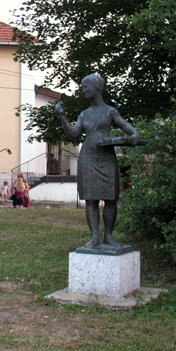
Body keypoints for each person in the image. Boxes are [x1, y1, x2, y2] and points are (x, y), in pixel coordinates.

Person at [55, 74, 139, 248]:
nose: (83, 90)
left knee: (110, 198)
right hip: (88, 158)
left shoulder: (110, 111)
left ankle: (108, 236)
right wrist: (62, 117)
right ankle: (94, 237)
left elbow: (124, 125)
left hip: (107, 157)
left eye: (86, 87)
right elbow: (73, 134)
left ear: (97, 88)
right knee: (91, 199)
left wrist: (134, 134)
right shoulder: (84, 114)